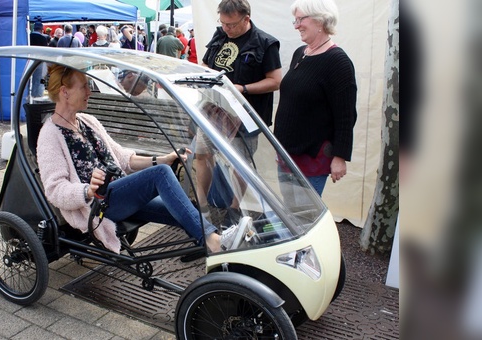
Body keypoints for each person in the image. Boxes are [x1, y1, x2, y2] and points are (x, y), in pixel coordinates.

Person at [36, 65, 253, 254]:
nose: (89, 91)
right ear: (64, 92)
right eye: (83, 86)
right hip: (98, 206)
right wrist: (87, 190)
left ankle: (215, 250)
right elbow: (54, 190)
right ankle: (214, 242)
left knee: (181, 209)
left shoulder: (86, 120)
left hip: (120, 195)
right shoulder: (50, 134)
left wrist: (162, 159)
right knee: (161, 177)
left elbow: (123, 158)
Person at [198, 0, 282, 219]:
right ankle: (201, 204)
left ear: (247, 18)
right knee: (201, 153)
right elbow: (205, 63)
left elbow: (275, 81)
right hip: (213, 109)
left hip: (246, 115)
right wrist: (207, 74)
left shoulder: (265, 43)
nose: (227, 29)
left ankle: (234, 209)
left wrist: (243, 88)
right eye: (223, 23)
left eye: (232, 24)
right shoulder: (219, 35)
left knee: (240, 164)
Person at [273, 0, 357, 195]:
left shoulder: (338, 62)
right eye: (295, 20)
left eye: (300, 19)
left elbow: (346, 116)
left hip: (311, 158)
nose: (296, 25)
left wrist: (340, 156)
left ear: (321, 21)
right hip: (286, 153)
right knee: (290, 215)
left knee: (305, 218)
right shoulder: (300, 53)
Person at [29, 21, 49, 98]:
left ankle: (27, 95)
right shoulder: (43, 38)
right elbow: (45, 52)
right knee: (39, 80)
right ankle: (37, 96)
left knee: (27, 79)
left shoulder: (28, 36)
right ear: (41, 29)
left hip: (29, 60)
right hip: (39, 61)